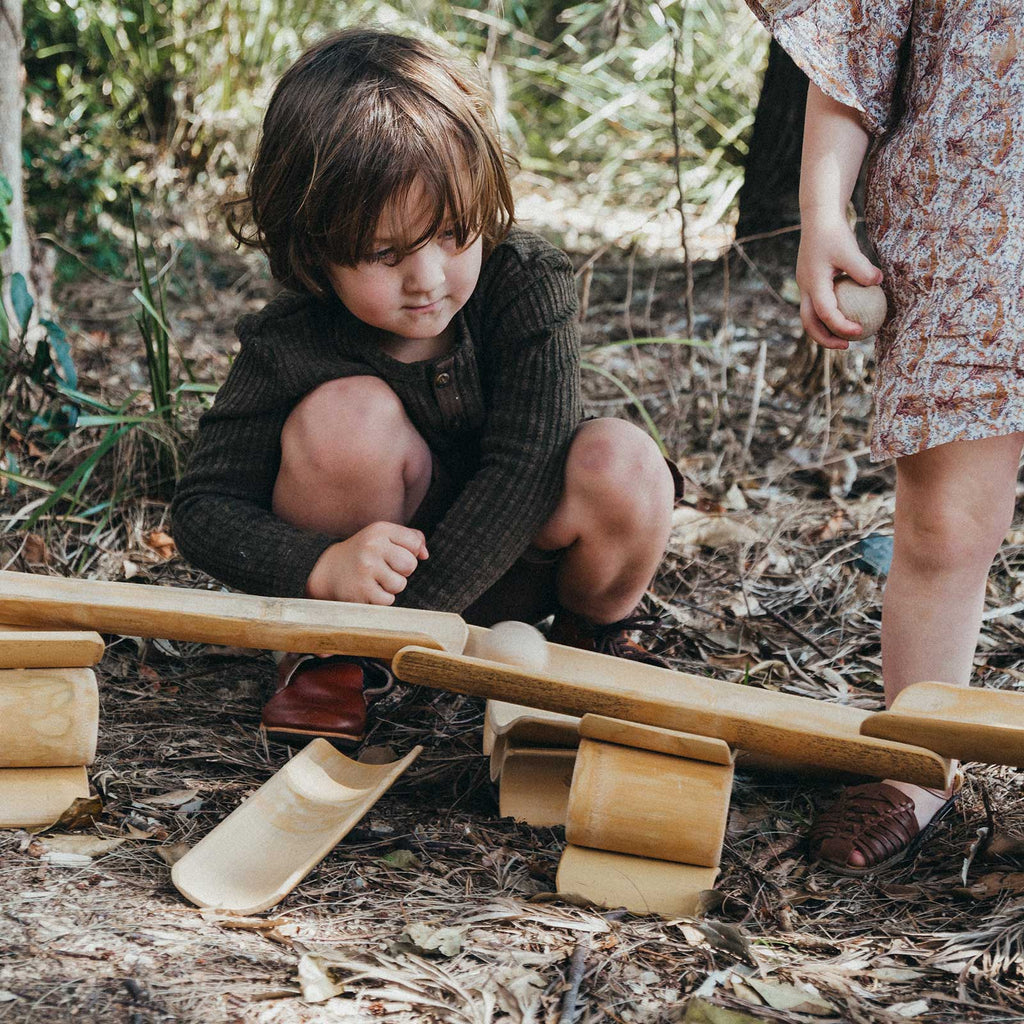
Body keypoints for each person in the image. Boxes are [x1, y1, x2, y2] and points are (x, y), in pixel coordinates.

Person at [171, 29, 678, 747]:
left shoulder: (525, 284)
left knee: (622, 459)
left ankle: (594, 636)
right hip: (365, 598)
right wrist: (321, 568)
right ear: (313, 247)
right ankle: (333, 657)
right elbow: (202, 509)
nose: (429, 280)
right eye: (385, 253)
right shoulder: (289, 339)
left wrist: (418, 626)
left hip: (518, 571)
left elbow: (528, 465)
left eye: (452, 234)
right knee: (345, 417)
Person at [745, 2, 1024, 873]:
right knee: (945, 521)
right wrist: (823, 213)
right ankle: (917, 761)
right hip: (969, 223)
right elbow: (853, 49)